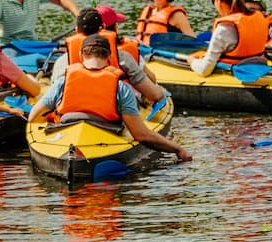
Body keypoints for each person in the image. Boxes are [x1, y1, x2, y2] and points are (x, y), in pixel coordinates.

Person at [32, 35, 191, 163]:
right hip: (105, 137)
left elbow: (34, 117)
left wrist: (53, 117)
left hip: (66, 139)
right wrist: (178, 149)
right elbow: (141, 135)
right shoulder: (121, 88)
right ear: (108, 56)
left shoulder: (62, 82)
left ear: (81, 56)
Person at [56, 6, 164, 104]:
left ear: (76, 30)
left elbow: (56, 96)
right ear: (101, 28)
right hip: (113, 114)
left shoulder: (62, 62)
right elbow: (156, 95)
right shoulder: (122, 57)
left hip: (74, 113)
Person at [188, 0, 272, 76]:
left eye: (213, 1)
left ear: (219, 1)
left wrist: (192, 61)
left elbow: (205, 70)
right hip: (259, 67)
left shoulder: (224, 28)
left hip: (236, 73)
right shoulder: (259, 17)